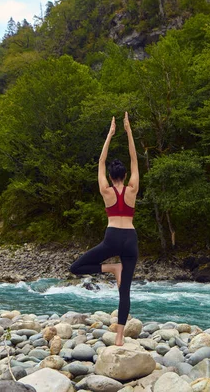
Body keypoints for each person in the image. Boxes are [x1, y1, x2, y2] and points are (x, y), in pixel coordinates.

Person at [70, 111, 139, 346]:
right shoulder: (132, 189)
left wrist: (109, 136)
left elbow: (100, 161)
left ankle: (111, 267)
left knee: (76, 267)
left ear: (110, 176)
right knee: (125, 292)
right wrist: (129, 132)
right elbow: (134, 158)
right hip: (130, 238)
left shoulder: (105, 191)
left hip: (112, 238)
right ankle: (120, 338)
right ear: (126, 175)